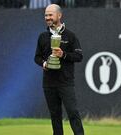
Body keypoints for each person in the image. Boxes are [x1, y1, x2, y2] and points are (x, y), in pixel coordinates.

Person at [34, 4, 84, 135]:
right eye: (46, 15)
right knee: (55, 116)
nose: (47, 17)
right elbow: (37, 57)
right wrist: (44, 64)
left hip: (65, 82)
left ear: (59, 15)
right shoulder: (42, 37)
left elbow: (79, 56)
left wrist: (63, 55)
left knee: (73, 113)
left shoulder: (70, 36)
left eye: (50, 15)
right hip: (49, 83)